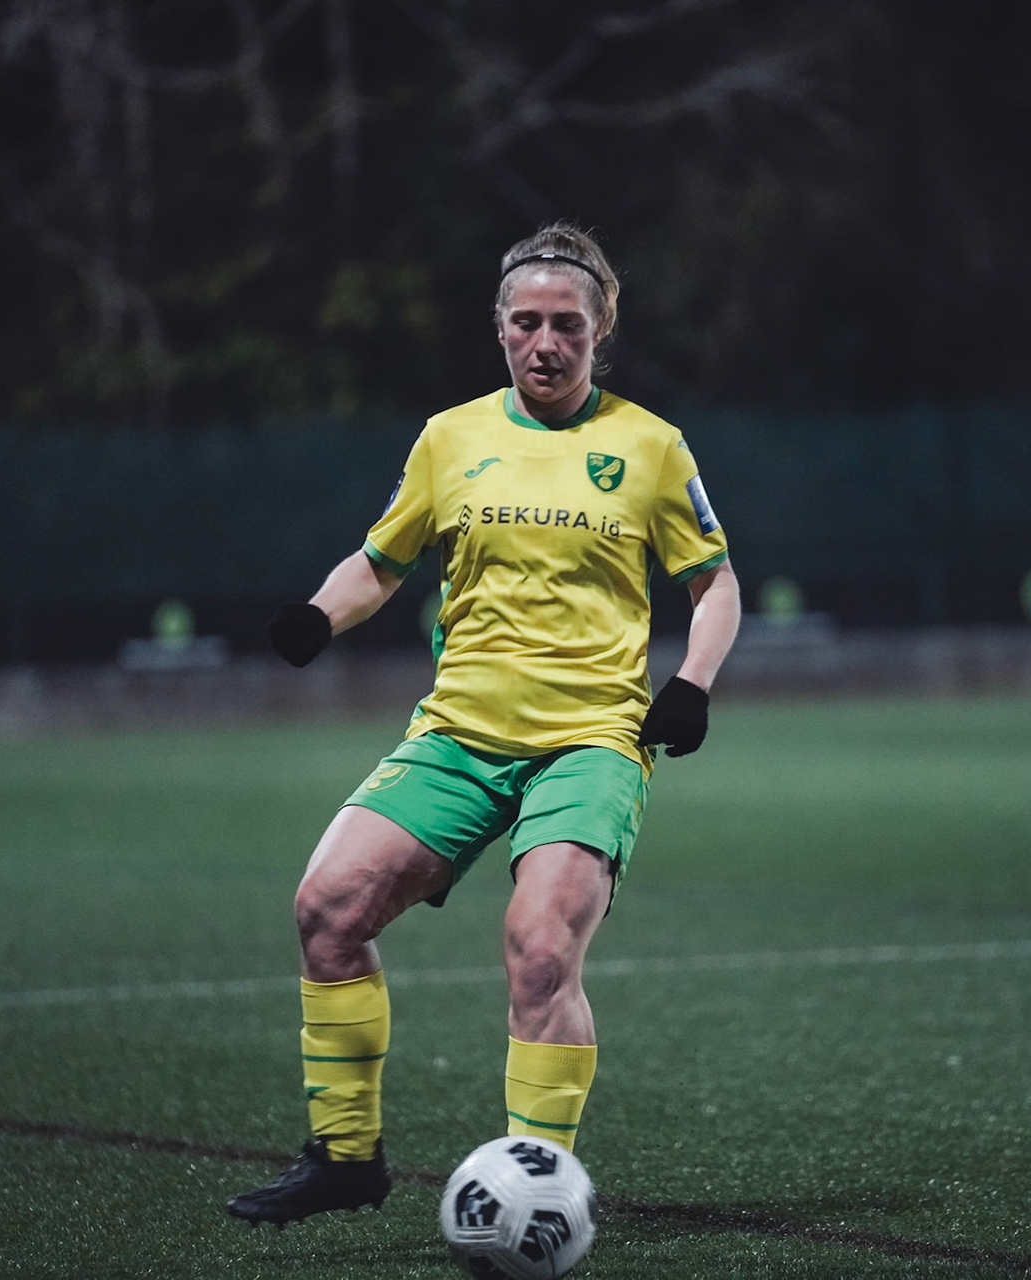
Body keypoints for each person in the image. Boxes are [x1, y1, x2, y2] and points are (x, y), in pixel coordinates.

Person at [225, 223, 741, 1226]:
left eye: (568, 324)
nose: (546, 342)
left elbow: (714, 582)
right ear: (499, 328)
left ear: (601, 329)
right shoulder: (450, 438)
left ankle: (538, 1191)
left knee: (541, 947)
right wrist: (320, 614)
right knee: (327, 908)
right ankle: (345, 1155)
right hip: (460, 734)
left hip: (591, 740)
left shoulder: (650, 445)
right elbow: (381, 560)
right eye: (527, 322)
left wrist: (693, 682)